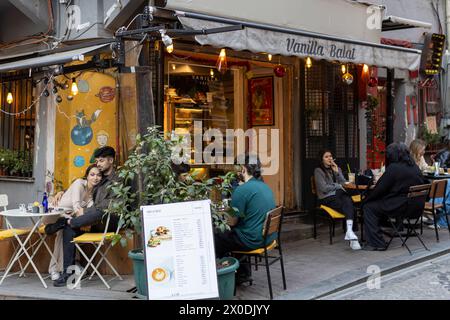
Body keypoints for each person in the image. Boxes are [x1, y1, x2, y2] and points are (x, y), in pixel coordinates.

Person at [51, 146, 120, 287]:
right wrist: (62, 192)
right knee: (68, 230)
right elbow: (84, 184)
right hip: (90, 221)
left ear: (111, 160)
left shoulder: (118, 179)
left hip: (107, 220)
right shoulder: (99, 178)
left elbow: (111, 204)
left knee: (101, 210)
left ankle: (66, 221)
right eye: (97, 161)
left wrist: (86, 213)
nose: (98, 164)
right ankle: (68, 274)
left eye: (101, 161)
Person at [214, 154, 275, 284]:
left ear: (242, 169)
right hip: (267, 237)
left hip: (252, 240)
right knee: (236, 232)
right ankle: (242, 273)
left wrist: (220, 215)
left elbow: (232, 221)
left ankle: (222, 279)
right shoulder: (265, 186)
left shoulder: (242, 189)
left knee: (217, 236)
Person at [43, 164, 102, 281]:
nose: (95, 178)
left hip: (66, 218)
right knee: (68, 225)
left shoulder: (93, 195)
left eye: (99, 175)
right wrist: (83, 220)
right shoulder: (79, 183)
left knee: (65, 230)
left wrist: (83, 219)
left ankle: (56, 268)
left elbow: (86, 212)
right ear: (87, 176)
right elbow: (76, 207)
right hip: (53, 214)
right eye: (92, 174)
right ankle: (55, 269)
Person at [362, 142, 425, 250]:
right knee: (378, 204)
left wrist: (366, 199)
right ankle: (377, 235)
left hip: (401, 207)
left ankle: (376, 243)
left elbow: (380, 189)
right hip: (416, 207)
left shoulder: (394, 168)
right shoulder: (414, 167)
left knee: (368, 207)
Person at [314, 150, 361, 250]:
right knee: (350, 204)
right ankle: (352, 237)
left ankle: (349, 232)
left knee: (347, 201)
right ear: (321, 159)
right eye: (326, 157)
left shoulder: (337, 168)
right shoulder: (318, 171)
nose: (330, 158)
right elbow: (323, 188)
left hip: (338, 196)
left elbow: (344, 183)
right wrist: (338, 186)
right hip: (326, 198)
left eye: (330, 156)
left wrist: (337, 173)